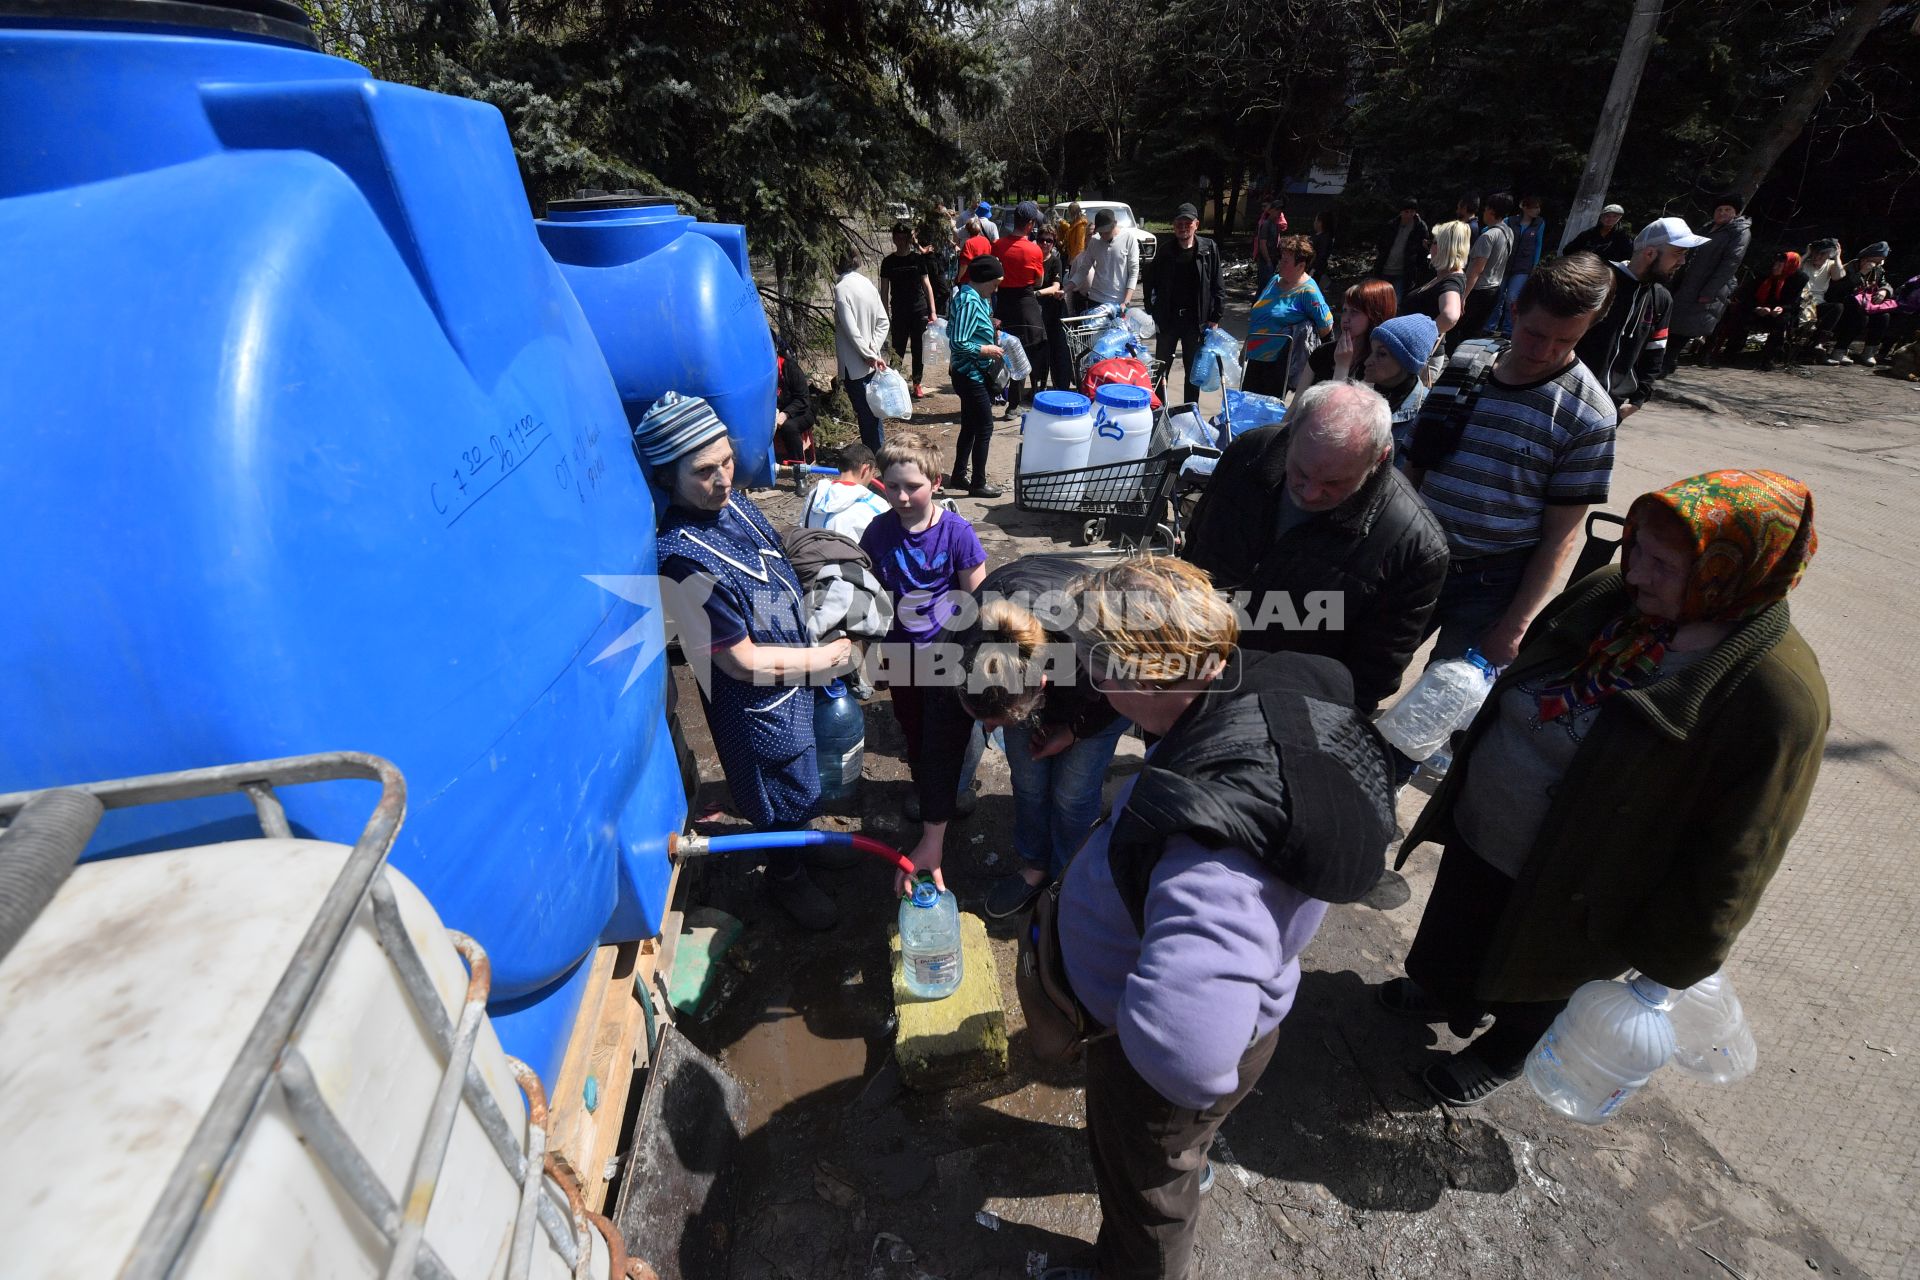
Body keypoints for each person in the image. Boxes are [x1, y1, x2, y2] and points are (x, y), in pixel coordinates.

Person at [1382, 469, 1826, 1106]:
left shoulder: (1776, 697)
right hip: (1492, 830)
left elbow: (1742, 851)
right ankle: (1441, 990)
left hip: (1583, 884)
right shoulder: (1609, 595)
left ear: (1732, 573)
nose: (1636, 573)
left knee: (1542, 969)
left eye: (1663, 565)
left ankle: (1503, 1052)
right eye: (1635, 546)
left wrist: (1674, 959)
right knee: (1461, 919)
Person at [1036, 555, 1393, 1280]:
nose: (1089, 680)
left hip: (1157, 1075)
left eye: (1098, 665)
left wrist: (1115, 1022)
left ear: (1149, 678)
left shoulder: (1209, 850)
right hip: (1255, 999)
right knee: (1177, 1156)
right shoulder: (1258, 683)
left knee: (1147, 1189)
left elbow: (1189, 1059)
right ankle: (1187, 1159)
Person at [645, 392, 857, 930]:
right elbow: (738, 662)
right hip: (754, 702)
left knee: (803, 777)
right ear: (667, 477)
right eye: (703, 471)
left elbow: (771, 563)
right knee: (773, 789)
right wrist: (823, 659)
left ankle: (804, 840)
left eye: (727, 461)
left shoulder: (731, 502)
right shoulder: (682, 559)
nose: (721, 479)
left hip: (792, 668)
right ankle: (785, 877)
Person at [1405, 252, 1619, 670]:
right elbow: (1414, 461)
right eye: (1535, 333)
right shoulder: (1470, 359)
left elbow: (1561, 536)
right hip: (1416, 560)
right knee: (1364, 671)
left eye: (1566, 341)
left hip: (1491, 585)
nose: (1544, 351)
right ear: (1516, 309)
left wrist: (1516, 626)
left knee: (1443, 700)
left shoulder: (1590, 414)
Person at [1183, 381, 1449, 712]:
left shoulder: (1413, 548)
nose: (1309, 493)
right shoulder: (1249, 454)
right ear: (1292, 433)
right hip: (1189, 677)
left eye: (1334, 483)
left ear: (1378, 459)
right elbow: (1195, 544)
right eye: (1300, 472)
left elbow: (1369, 678)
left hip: (1277, 713)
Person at [898, 554, 1130, 918]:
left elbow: (1122, 696)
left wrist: (1073, 731)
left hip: (1100, 691)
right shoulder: (954, 651)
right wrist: (932, 838)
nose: (988, 733)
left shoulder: (1091, 639)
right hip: (1031, 669)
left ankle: (1069, 877)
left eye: (996, 724)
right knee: (1029, 780)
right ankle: (1036, 865)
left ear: (1041, 684)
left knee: (1073, 792)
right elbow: (940, 748)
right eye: (983, 721)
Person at [860, 431, 988, 839]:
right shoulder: (877, 533)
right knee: (913, 725)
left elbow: (978, 601)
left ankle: (956, 786)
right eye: (892, 486)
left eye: (912, 488)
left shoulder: (957, 533)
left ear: (935, 484)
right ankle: (924, 786)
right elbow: (868, 599)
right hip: (900, 655)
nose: (900, 497)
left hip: (948, 655)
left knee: (952, 726)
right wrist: (870, 656)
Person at [1574, 215, 1705, 415]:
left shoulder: (1661, 298)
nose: (1682, 261)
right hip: (1569, 395)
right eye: (1677, 253)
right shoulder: (1598, 281)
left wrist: (1637, 400)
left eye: (1685, 254)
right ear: (1650, 253)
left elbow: (1655, 352)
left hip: (1611, 409)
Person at [1142, 202, 1225, 399]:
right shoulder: (1165, 250)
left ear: (1196, 224)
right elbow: (1149, 280)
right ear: (1173, 225)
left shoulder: (1208, 249)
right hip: (1168, 320)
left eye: (1188, 223)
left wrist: (1216, 315)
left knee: (1193, 373)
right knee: (1161, 370)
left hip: (1196, 322)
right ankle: (1158, 412)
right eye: (1179, 223)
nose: (1183, 227)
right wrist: (1151, 309)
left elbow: (1217, 283)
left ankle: (1189, 413)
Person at [1664, 193, 1752, 373]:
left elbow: (1730, 264)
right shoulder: (1707, 228)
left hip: (1706, 286)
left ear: (1735, 213)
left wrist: (1710, 291)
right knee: (1672, 321)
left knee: (1685, 326)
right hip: (1686, 281)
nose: (1722, 213)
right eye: (1719, 209)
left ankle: (1668, 362)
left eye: (1727, 210)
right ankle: (1664, 361)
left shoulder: (1738, 233)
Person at [945, 256, 1007, 496]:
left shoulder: (978, 297)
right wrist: (985, 349)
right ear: (983, 280)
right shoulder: (969, 301)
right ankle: (978, 484)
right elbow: (957, 340)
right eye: (995, 283)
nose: (997, 288)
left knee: (970, 425)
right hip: (969, 374)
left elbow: (967, 328)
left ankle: (960, 475)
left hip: (972, 373)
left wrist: (992, 329)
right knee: (985, 427)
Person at [1243, 235, 1333, 397]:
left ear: (1301, 265)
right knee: (1247, 407)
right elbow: (1260, 314)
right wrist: (1246, 346)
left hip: (1278, 363)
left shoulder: (1309, 292)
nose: (1280, 264)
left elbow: (1326, 327)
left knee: (1266, 413)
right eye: (1281, 259)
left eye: (1285, 261)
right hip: (1256, 356)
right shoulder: (1275, 280)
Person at [992, 201, 1050, 419]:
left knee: (1001, 351)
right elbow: (1039, 281)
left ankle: (998, 394)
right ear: (1030, 224)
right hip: (1025, 304)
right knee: (1025, 352)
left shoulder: (997, 245)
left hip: (1003, 303)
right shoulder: (1034, 249)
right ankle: (1015, 404)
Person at [832, 246, 890, 451]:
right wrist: (873, 350)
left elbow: (850, 329)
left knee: (866, 415)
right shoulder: (867, 284)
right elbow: (883, 322)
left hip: (854, 363)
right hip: (871, 361)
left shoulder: (842, 289)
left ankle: (874, 459)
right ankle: (877, 453)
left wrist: (867, 354)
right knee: (872, 412)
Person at [1707, 250, 1804, 370]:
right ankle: (1730, 352)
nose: (1775, 267)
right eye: (1776, 264)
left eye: (1780, 265)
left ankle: (1769, 359)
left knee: (1781, 321)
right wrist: (1757, 308)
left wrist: (1780, 308)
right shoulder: (1764, 274)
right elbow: (1747, 295)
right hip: (1757, 307)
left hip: (1778, 311)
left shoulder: (1798, 279)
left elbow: (1793, 302)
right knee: (1741, 315)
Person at [1363, 313, 1439, 455]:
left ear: (1406, 361)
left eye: (1382, 354)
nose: (1367, 362)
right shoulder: (1359, 397)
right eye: (1371, 352)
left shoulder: (1425, 412)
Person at [1301, 277, 1396, 390]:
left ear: (1375, 316)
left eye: (1355, 312)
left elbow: (1339, 406)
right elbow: (1297, 404)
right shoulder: (1323, 352)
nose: (1345, 318)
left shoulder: (1378, 363)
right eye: (1345, 310)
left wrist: (1342, 366)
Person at [878, 221, 937, 400]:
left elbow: (927, 285)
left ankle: (917, 383)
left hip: (919, 310)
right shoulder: (888, 262)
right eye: (898, 238)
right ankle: (895, 382)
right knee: (898, 348)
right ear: (894, 239)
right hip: (899, 311)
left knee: (919, 349)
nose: (901, 241)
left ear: (908, 240)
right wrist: (883, 314)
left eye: (905, 238)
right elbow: (884, 290)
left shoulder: (917, 259)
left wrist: (932, 311)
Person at [1401, 220, 1471, 369]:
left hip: (1420, 359)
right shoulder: (1444, 275)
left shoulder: (1451, 281)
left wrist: (1420, 337)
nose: (1429, 246)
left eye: (1433, 242)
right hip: (1416, 356)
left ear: (1444, 248)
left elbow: (1450, 316)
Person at [1827, 240, 1898, 366]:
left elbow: (1886, 284)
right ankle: (1839, 350)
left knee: (1884, 317)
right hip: (1847, 303)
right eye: (1875, 261)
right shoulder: (1851, 267)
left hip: (1867, 304)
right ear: (1865, 258)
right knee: (1861, 317)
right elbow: (1841, 288)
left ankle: (1868, 352)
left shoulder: (1878, 270)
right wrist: (1862, 273)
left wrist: (1884, 291)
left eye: (1880, 262)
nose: (1877, 264)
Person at [1457, 192, 1517, 341]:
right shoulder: (1508, 232)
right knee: (1475, 332)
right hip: (1494, 288)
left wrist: (1463, 296)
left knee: (1460, 333)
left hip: (1478, 290)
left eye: (1485, 209)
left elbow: (1477, 269)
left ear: (1491, 211)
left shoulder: (1488, 236)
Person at [801, 442, 890, 539]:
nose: (872, 478)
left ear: (840, 467)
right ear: (866, 469)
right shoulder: (877, 505)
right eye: (872, 473)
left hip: (811, 552)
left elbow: (803, 527)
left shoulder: (816, 494)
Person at [1495, 195, 1548, 337]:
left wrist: (1534, 265)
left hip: (1523, 267)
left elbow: (1538, 245)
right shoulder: (1509, 221)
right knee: (1498, 295)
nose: (1537, 210)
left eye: (1538, 207)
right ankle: (1490, 326)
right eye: (1534, 207)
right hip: (1505, 263)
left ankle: (1508, 328)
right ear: (1524, 207)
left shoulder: (1540, 223)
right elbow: (1496, 232)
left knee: (1512, 297)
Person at [1068, 209, 1140, 314]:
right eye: (1100, 232)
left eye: (1106, 232)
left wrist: (1126, 301)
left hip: (1118, 302)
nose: (1102, 235)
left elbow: (1134, 272)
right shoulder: (1094, 241)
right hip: (1095, 299)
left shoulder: (1129, 238)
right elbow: (1083, 269)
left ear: (1115, 224)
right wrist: (1066, 288)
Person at [1035, 225, 1075, 390]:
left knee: (1057, 349)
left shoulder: (1055, 261)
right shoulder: (1032, 258)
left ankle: (1060, 386)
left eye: (1049, 241)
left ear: (1054, 243)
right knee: (1039, 351)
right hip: (1036, 310)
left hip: (1053, 309)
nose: (1045, 244)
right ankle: (1038, 385)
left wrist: (1037, 293)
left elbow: (1055, 286)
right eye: (1042, 240)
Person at [1373, 199, 1431, 301]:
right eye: (1406, 212)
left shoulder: (1420, 227)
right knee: (1381, 300)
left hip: (1403, 272)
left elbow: (1423, 251)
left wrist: (1418, 268)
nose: (1409, 214)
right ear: (1401, 212)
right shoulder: (1391, 225)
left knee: (1397, 301)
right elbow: (1381, 244)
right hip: (1385, 269)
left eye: (1412, 212)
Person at [773, 330, 817, 462]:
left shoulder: (790, 367)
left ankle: (798, 468)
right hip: (775, 413)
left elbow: (803, 399)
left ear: (775, 348)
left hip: (801, 411)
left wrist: (785, 414)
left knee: (789, 427)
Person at [1799, 238, 1845, 358]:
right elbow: (1793, 270)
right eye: (1815, 253)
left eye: (1822, 254)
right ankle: (1805, 330)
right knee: (1806, 302)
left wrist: (1837, 257)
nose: (1817, 257)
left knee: (1838, 307)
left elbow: (1839, 276)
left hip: (1818, 302)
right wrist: (1807, 254)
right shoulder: (1805, 263)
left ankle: (1818, 342)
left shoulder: (1830, 265)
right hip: (1801, 300)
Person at [1564, 203, 1633, 262]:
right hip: (1584, 267)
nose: (1610, 219)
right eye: (1607, 215)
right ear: (1601, 216)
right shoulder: (1588, 233)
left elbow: (1627, 258)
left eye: (1615, 216)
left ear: (1619, 218)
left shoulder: (1623, 236)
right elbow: (1568, 250)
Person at [1253, 200, 1284, 295]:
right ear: (1271, 210)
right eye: (1276, 210)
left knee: (1268, 287)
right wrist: (1268, 260)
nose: (1279, 212)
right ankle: (1256, 308)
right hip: (1265, 261)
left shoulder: (1275, 225)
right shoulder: (1266, 224)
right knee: (1263, 287)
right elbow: (1262, 244)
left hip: (1272, 259)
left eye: (1280, 210)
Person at [1309, 210, 1336, 291]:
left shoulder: (1325, 238)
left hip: (1316, 270)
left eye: (1316, 220)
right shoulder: (1318, 236)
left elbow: (1322, 255)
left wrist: (1313, 269)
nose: (1314, 222)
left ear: (1320, 223)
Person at [1059, 201, 1091, 265]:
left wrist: (1074, 259)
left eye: (1069, 211)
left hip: (1076, 258)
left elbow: (1080, 244)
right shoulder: (1075, 222)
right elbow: (1069, 231)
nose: (1068, 213)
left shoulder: (1080, 225)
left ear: (1073, 212)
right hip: (1072, 255)